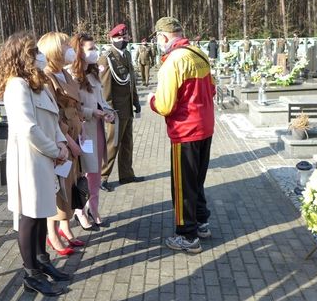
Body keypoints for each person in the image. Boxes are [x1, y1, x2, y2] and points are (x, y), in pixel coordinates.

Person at [0, 32, 69, 296]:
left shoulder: (34, 82)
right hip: (30, 158)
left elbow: (53, 119)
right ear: (21, 56)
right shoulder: (16, 85)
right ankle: (31, 273)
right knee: (30, 215)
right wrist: (53, 150)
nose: (39, 54)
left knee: (41, 212)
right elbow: (27, 127)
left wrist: (61, 144)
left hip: (45, 156)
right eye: (33, 51)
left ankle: (42, 261)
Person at [148, 17, 215, 254]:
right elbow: (213, 89)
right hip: (205, 127)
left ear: (163, 37)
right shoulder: (199, 54)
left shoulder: (173, 61)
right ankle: (201, 222)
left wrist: (151, 101)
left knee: (182, 185)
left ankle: (187, 236)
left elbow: (165, 105)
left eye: (157, 38)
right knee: (196, 180)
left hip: (185, 131)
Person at [39, 32, 88, 252]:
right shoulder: (46, 76)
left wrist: (82, 129)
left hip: (75, 133)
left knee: (73, 182)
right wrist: (69, 139)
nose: (70, 48)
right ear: (53, 50)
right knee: (59, 188)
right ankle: (52, 234)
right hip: (61, 138)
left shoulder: (64, 74)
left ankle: (66, 229)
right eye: (65, 45)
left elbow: (76, 105)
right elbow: (53, 116)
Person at [69, 33, 115, 228]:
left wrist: (107, 111)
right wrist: (91, 112)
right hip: (82, 131)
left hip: (97, 129)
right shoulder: (71, 75)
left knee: (95, 173)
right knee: (83, 173)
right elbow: (73, 107)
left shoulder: (94, 73)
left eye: (95, 48)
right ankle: (80, 210)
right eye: (90, 49)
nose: (94, 52)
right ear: (79, 52)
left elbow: (101, 100)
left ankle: (93, 208)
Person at [98, 24, 144, 191]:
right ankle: (103, 177)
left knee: (127, 143)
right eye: (119, 38)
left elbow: (131, 83)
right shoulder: (106, 58)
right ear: (111, 39)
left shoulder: (126, 55)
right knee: (113, 144)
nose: (122, 41)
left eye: (125, 38)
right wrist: (109, 111)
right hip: (116, 111)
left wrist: (136, 102)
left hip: (127, 109)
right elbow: (105, 89)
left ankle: (126, 174)